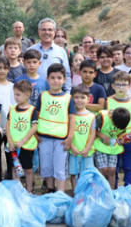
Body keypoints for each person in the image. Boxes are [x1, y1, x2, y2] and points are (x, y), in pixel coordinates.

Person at [35, 63, 76, 192]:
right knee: (46, 166)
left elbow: (72, 118)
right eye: (52, 77)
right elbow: (35, 115)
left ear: (64, 79)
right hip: (44, 138)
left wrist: (70, 137)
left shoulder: (68, 98)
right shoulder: (42, 96)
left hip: (61, 139)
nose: (56, 81)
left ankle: (61, 193)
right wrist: (35, 134)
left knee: (59, 167)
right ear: (47, 79)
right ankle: (50, 189)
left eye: (59, 78)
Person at [106, 71, 131, 188]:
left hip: (130, 140)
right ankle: (113, 189)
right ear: (113, 86)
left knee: (129, 167)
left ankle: (129, 188)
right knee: (113, 167)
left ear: (129, 86)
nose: (121, 87)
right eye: (118, 84)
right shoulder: (108, 101)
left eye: (124, 84)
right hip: (113, 140)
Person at [7, 80, 39, 192]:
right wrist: (10, 142)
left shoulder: (32, 110)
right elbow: (8, 127)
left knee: (28, 170)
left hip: (26, 146)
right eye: (15, 94)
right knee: (15, 168)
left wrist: (23, 141)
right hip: (14, 147)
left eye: (18, 94)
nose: (16, 97)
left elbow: (34, 127)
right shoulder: (11, 110)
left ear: (27, 94)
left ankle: (29, 191)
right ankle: (17, 191)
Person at [27, 18, 71, 91]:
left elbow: (67, 74)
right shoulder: (30, 50)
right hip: (33, 93)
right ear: (39, 32)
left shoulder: (61, 51)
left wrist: (67, 93)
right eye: (44, 29)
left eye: (50, 30)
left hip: (54, 94)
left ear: (54, 32)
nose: (47, 32)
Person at [93, 107, 131, 188]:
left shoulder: (122, 121)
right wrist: (102, 136)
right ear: (112, 118)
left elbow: (120, 134)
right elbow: (92, 130)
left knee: (112, 170)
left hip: (113, 147)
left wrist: (122, 140)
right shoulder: (101, 117)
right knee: (103, 169)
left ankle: (111, 191)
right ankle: (99, 190)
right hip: (100, 146)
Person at [0, 57, 15, 181]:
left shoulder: (12, 86)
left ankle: (10, 176)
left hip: (9, 125)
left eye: (5, 68)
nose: (2, 71)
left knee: (9, 152)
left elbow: (14, 105)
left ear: (8, 69)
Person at [68, 85, 96, 190]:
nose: (79, 100)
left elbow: (93, 133)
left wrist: (87, 148)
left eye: (82, 97)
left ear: (88, 99)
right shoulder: (70, 115)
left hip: (87, 151)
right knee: (74, 173)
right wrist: (72, 147)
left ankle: (85, 191)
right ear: (72, 98)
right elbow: (67, 132)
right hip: (73, 150)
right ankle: (76, 192)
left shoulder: (91, 116)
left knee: (87, 174)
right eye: (76, 97)